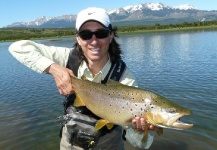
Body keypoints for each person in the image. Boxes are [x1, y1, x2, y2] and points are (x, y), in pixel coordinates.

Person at [9, 7, 154, 150]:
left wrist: (139, 130)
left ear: (111, 36)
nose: (94, 41)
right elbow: (18, 47)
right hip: (71, 143)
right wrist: (54, 69)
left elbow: (141, 144)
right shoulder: (67, 57)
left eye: (101, 33)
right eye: (86, 35)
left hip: (109, 145)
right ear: (78, 38)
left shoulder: (123, 76)